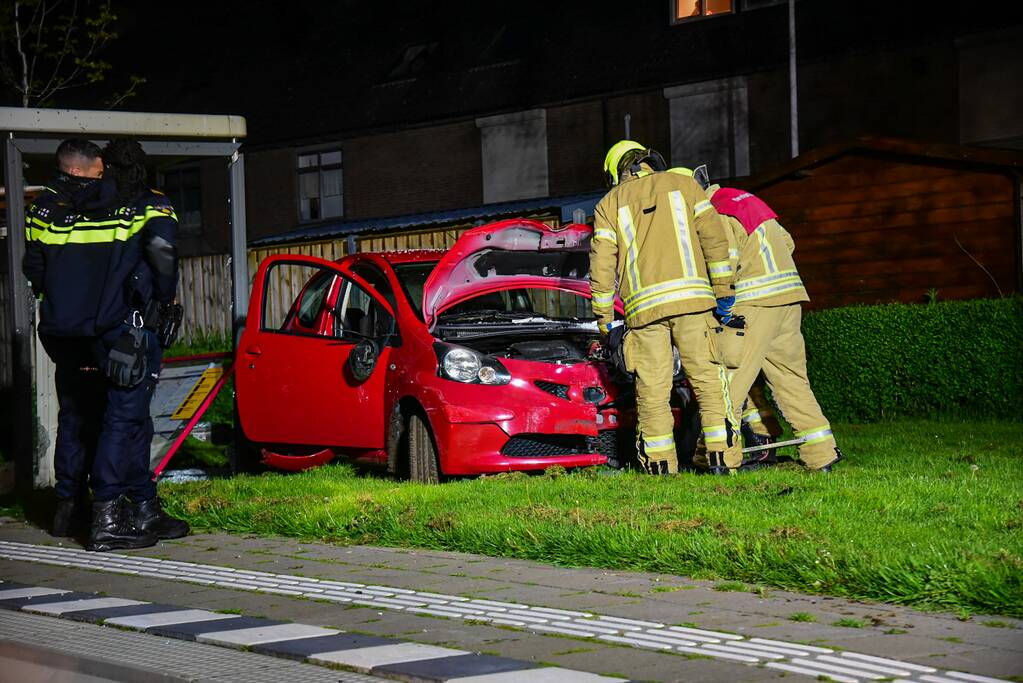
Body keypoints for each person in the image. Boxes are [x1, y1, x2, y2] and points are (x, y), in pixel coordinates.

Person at [23, 138, 190, 551]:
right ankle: (113, 515)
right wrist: (165, 299)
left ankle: (72, 508)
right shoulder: (144, 206)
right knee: (125, 418)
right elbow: (162, 254)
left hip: (63, 330)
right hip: (120, 327)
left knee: (79, 415)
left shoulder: (56, 208)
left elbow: (35, 266)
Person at [590, 140, 741, 475]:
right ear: (647, 160)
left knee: (652, 390)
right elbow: (714, 240)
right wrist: (724, 293)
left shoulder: (608, 204)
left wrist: (605, 321)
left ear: (616, 171)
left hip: (643, 313)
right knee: (707, 380)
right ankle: (720, 460)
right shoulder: (685, 185)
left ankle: (660, 466)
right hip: (693, 304)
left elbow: (601, 267)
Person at [685, 171, 843, 472]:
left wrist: (718, 303)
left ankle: (717, 460)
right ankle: (822, 454)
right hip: (789, 297)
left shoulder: (713, 213)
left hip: (754, 301)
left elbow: (724, 264)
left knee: (728, 381)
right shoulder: (742, 198)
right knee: (792, 380)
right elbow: (787, 242)